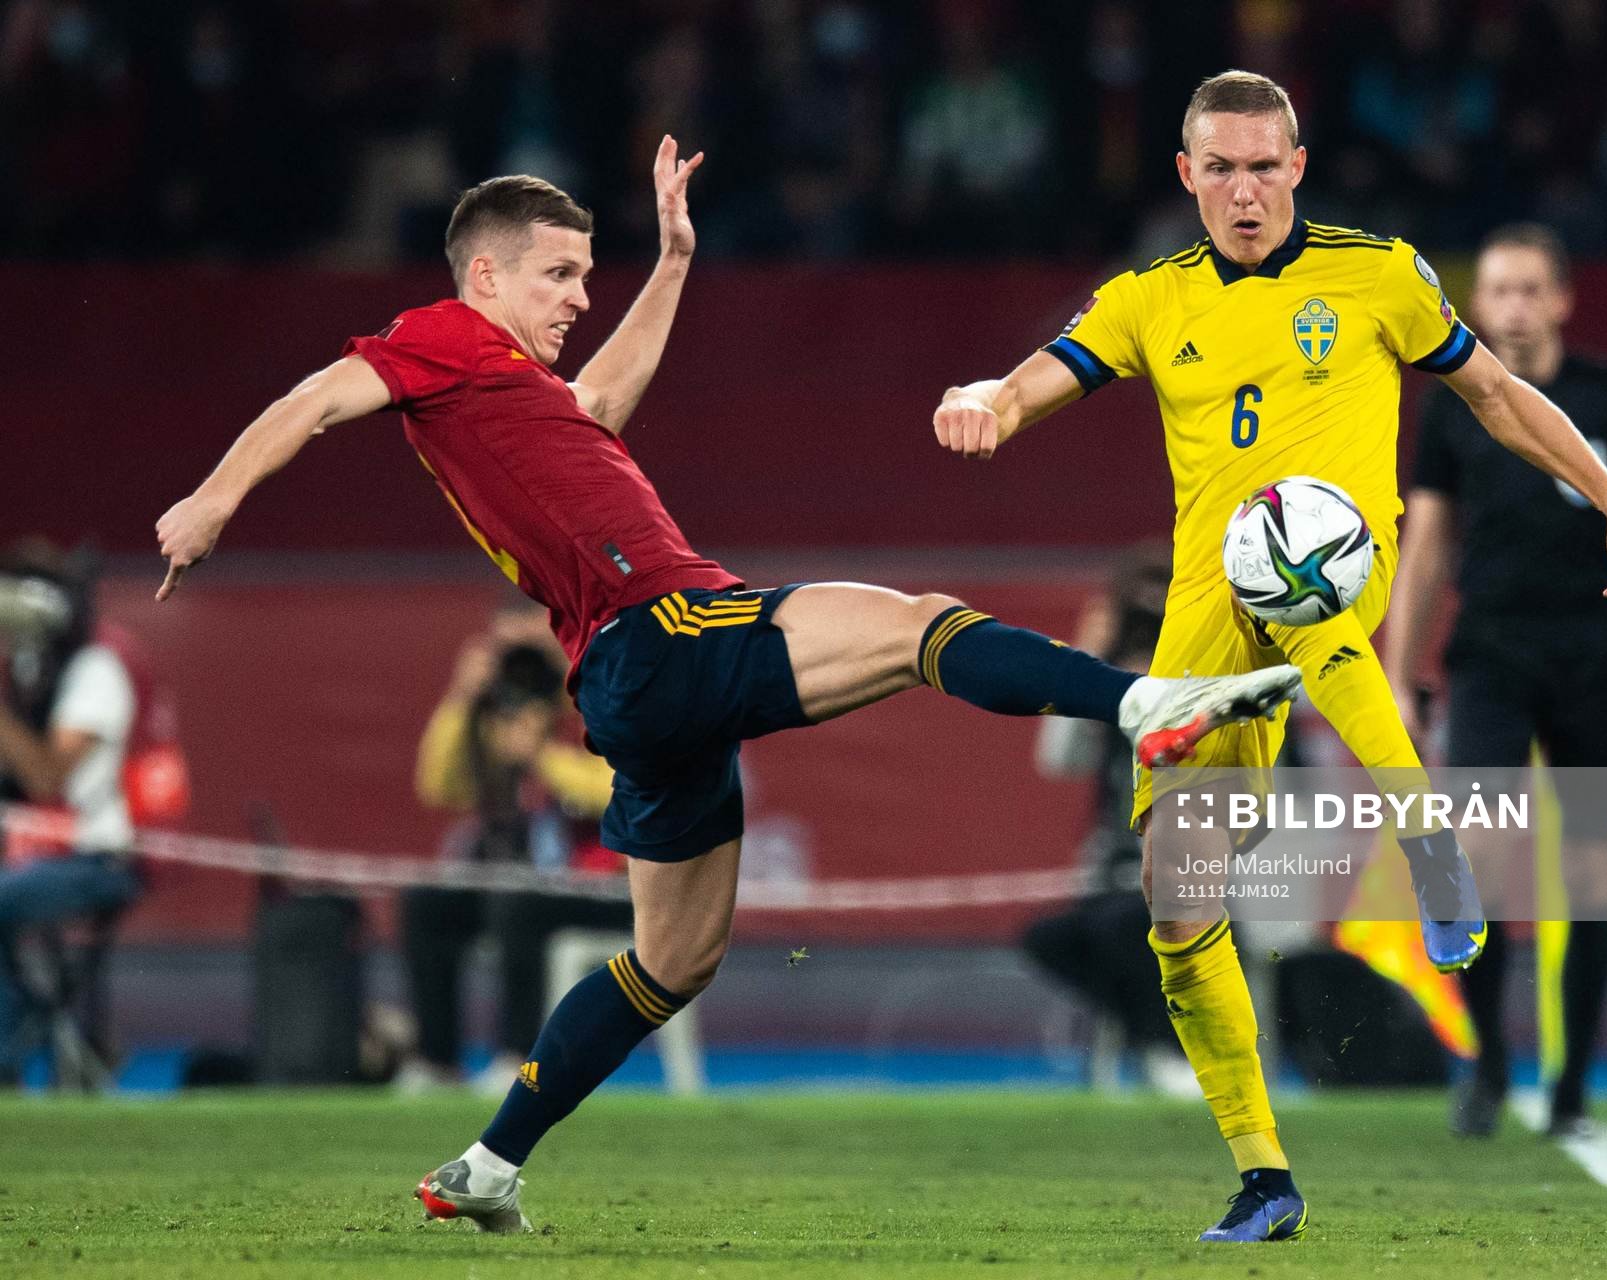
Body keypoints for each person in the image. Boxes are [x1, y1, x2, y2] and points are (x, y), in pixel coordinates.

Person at [153, 135, 1305, 1234]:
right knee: (919, 627)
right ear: (486, 271)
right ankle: (1140, 701)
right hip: (667, 625)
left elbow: (600, 407)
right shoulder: (438, 336)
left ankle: (488, 1162)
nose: (575, 297)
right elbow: (315, 397)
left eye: (586, 276)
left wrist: (674, 263)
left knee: (671, 959)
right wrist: (212, 498)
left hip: (629, 680)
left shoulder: (512, 389)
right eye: (557, 274)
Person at [931, 70, 1607, 1242]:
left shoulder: (1379, 273)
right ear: (1185, 176)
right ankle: (1265, 1173)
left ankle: (1429, 844)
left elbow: (1496, 394)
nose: (1243, 189)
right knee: (1178, 901)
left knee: (1293, 554)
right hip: (1205, 613)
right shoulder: (1146, 299)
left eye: (1264, 166)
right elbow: (1034, 381)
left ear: (1298, 168)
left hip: (1341, 544)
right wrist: (986, 399)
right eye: (1218, 168)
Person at [1382, 222, 1607, 1139]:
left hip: (1598, 656)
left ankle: (1572, 1087)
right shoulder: (1454, 405)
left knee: (1591, 871)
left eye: (1531, 291)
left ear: (1563, 299)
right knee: (1483, 861)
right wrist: (1397, 674)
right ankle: (1487, 1061)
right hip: (1489, 655)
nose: (1514, 309)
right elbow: (1426, 548)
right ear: (1476, 303)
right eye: (1498, 292)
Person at [396, 631, 629, 1093]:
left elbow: (610, 792)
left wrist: (541, 755)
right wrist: (462, 700)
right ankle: (437, 1060)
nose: (523, 704)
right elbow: (438, 787)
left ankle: (519, 1057)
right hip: (524, 893)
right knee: (426, 903)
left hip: (606, 891)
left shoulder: (596, 721)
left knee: (517, 905)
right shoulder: (494, 741)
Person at [1020, 546, 1196, 1096]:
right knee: (1052, 938)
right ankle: (1154, 1040)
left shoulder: (1214, 690)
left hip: (1204, 876)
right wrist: (1087, 661)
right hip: (1116, 875)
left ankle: (1169, 1050)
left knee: (1126, 928)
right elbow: (1058, 759)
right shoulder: (1112, 700)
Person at [0, 543, 146, 1084]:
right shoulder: (32, 668)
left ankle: (10, 1048)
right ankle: (48, 1032)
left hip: (99, 857)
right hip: (43, 854)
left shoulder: (95, 668)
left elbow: (45, 777)